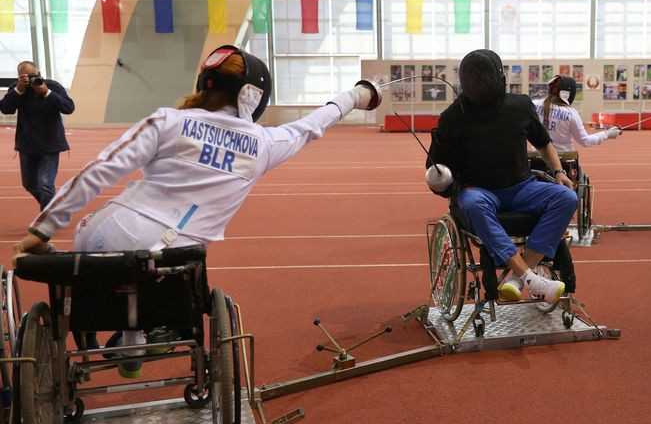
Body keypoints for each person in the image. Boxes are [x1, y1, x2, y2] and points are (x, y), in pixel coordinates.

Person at [11, 45, 378, 377]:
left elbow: (100, 171)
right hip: (173, 259)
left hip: (103, 238)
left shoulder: (167, 120)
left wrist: (42, 230)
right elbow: (312, 126)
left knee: (98, 243)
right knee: (157, 275)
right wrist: (357, 95)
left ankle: (109, 334)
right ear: (253, 96)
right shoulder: (263, 144)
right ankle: (137, 342)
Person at [426, 49, 577, 304]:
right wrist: (439, 178)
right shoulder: (453, 116)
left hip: (522, 188)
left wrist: (559, 171)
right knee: (473, 205)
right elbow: (437, 166)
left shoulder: (519, 106)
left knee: (566, 197)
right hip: (479, 190)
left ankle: (519, 278)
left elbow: (543, 143)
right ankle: (530, 278)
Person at [0, 60, 75, 210]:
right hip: (27, 144)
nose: (29, 79)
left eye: (32, 75)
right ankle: (53, 208)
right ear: (19, 77)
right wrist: (18, 90)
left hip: (50, 144)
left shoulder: (52, 86)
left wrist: (47, 93)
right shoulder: (17, 89)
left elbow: (68, 108)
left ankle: (47, 218)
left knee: (46, 183)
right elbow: (6, 109)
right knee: (29, 184)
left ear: (39, 74)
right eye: (24, 77)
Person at [534, 74, 621, 150]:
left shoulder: (534, 105)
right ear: (566, 94)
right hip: (562, 160)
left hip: (536, 158)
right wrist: (607, 134)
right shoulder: (571, 113)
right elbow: (585, 141)